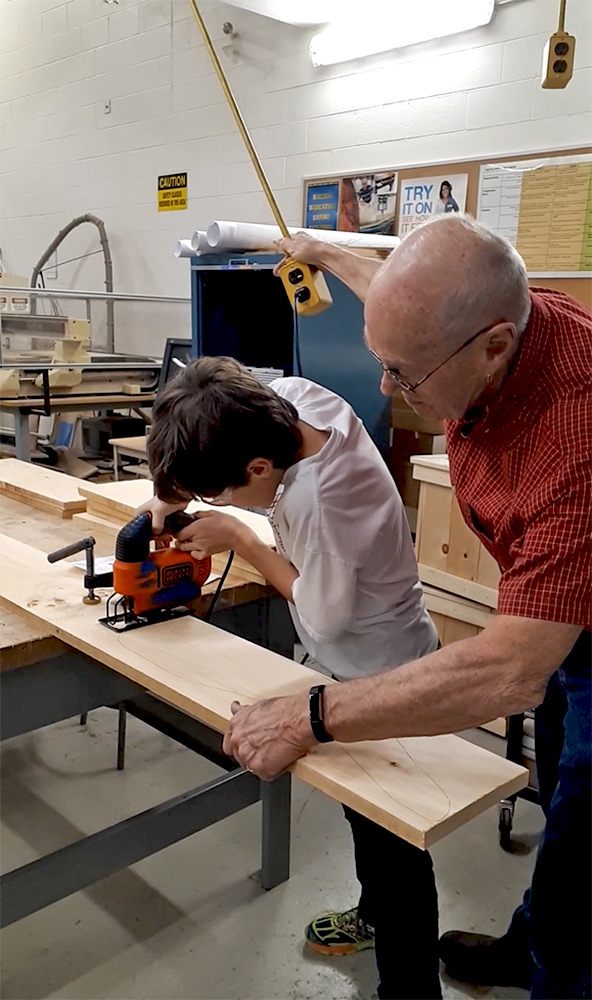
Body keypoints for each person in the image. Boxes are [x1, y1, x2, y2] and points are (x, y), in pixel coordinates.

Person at [226, 216, 591, 1000]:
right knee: (561, 775)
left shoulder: (576, 443)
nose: (388, 390)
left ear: (493, 346)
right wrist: (324, 253)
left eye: (404, 373)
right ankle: (532, 944)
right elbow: (407, 306)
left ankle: (560, 972)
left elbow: (510, 672)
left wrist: (308, 716)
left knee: (588, 830)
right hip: (570, 612)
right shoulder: (486, 322)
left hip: (576, 625)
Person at [139, 356, 440, 1000]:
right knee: (363, 817)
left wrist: (241, 541)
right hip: (360, 656)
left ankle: (409, 986)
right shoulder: (291, 402)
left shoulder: (321, 502)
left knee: (395, 841)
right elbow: (225, 388)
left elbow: (322, 618)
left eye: (218, 493)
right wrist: (170, 493)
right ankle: (373, 915)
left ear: (256, 469)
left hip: (379, 670)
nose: (214, 505)